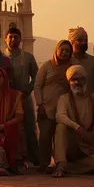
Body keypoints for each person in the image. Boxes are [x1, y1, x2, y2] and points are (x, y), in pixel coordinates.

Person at [52, 65, 94, 178]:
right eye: (73, 79)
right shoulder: (64, 98)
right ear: (69, 82)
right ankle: (61, 164)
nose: (77, 82)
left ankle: (68, 168)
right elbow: (60, 116)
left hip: (92, 146)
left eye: (80, 79)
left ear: (86, 80)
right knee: (60, 127)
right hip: (73, 144)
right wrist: (77, 127)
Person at [34, 40, 75, 172]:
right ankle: (44, 163)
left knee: (61, 136)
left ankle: (59, 163)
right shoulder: (47, 65)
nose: (64, 53)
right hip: (46, 107)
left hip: (64, 108)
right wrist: (40, 104)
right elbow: (37, 86)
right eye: (62, 50)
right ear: (56, 50)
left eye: (67, 51)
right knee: (45, 136)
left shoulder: (72, 67)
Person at [3, 27, 39, 166]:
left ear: (20, 39)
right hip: (7, 99)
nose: (13, 40)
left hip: (24, 97)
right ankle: (11, 158)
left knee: (29, 127)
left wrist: (28, 90)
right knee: (9, 128)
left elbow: (36, 77)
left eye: (16, 37)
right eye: (10, 37)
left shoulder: (28, 57)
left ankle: (34, 159)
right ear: (5, 39)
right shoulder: (1, 57)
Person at [68, 27, 94, 95]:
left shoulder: (93, 61)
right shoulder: (66, 61)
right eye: (79, 40)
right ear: (72, 42)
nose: (83, 43)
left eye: (85, 40)